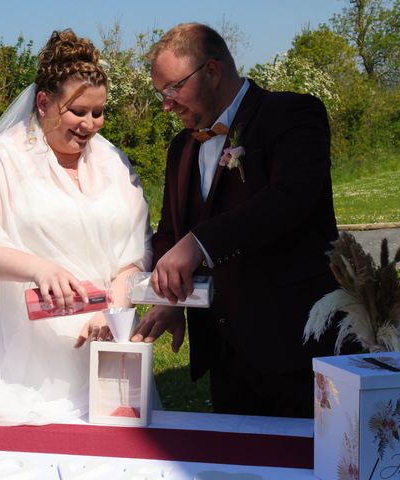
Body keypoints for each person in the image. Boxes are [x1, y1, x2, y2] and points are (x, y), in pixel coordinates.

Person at [0, 29, 152, 425]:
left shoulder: (114, 164)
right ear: (43, 102)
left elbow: (135, 254)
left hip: (98, 336)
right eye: (78, 111)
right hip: (3, 343)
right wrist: (39, 268)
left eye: (98, 112)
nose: (90, 125)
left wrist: (115, 310)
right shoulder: (0, 158)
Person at [132, 23, 352, 418]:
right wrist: (169, 300)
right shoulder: (181, 146)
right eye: (159, 93)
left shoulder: (292, 114)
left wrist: (199, 244)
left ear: (212, 71)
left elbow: (290, 200)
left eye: (172, 89)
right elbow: (170, 231)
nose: (166, 104)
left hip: (294, 346)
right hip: (224, 353)